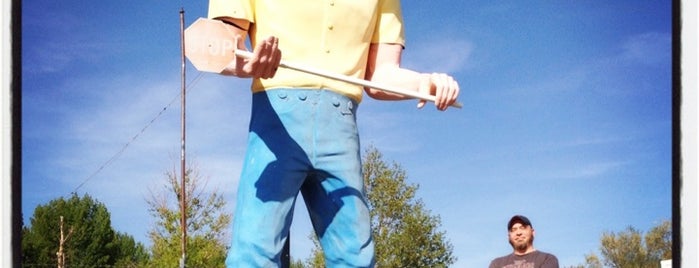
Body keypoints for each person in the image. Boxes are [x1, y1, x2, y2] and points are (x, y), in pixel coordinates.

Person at [207, 0, 460, 267]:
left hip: (341, 129)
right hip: (275, 128)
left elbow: (380, 75)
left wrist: (424, 83)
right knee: (254, 251)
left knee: (356, 255)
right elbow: (217, 43)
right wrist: (244, 64)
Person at [489, 215, 560, 268]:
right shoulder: (497, 264)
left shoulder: (547, 259)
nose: (518, 232)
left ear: (533, 232)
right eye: (513, 230)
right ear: (509, 237)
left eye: (522, 228)